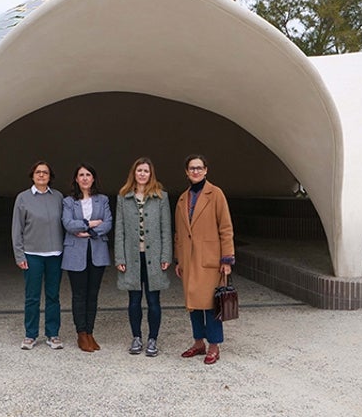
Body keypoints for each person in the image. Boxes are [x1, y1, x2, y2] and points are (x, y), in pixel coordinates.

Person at [174, 154, 235, 365]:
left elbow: (226, 228)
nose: (196, 171)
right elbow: (179, 234)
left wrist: (227, 259)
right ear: (186, 172)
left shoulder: (216, 194)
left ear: (206, 170)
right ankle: (198, 342)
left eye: (199, 168)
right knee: (193, 305)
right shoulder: (183, 199)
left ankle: (214, 346)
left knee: (211, 305)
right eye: (192, 168)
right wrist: (178, 260)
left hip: (210, 260)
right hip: (189, 261)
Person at [115, 157, 172, 357]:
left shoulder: (160, 197)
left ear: (151, 174)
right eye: (139, 170)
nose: (142, 174)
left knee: (154, 300)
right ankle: (136, 337)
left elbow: (166, 229)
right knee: (134, 300)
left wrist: (166, 255)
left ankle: (153, 339)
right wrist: (119, 258)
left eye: (146, 171)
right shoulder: (123, 197)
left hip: (154, 257)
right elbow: (119, 230)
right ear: (134, 173)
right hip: (132, 257)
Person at [11, 160, 64, 350]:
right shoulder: (23, 198)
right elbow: (17, 229)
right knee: (32, 296)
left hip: (55, 254)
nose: (41, 175)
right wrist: (19, 255)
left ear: (50, 177)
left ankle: (53, 334)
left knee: (53, 296)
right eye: (38, 172)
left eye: (45, 173)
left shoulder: (58, 197)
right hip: (32, 254)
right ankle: (30, 334)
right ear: (32, 175)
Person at [61, 163, 113, 352]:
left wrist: (88, 232)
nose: (84, 178)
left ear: (93, 178)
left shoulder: (103, 200)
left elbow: (107, 223)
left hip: (97, 252)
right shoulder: (68, 201)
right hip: (75, 253)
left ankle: (90, 332)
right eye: (81, 175)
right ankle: (81, 333)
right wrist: (89, 223)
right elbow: (68, 224)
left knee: (93, 295)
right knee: (79, 294)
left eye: (88, 174)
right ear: (76, 179)